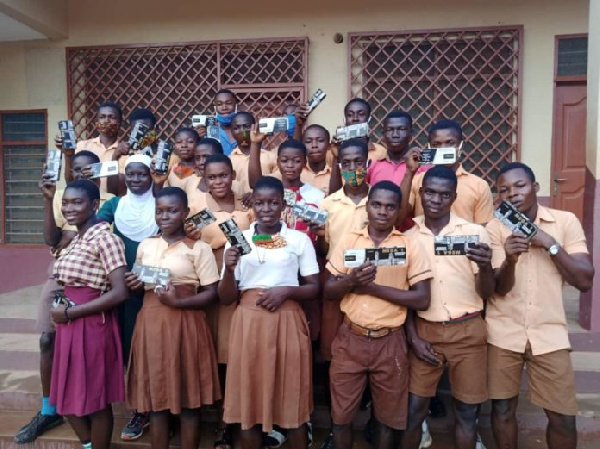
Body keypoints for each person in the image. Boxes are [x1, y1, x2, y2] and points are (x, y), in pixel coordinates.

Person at [486, 162, 594, 449]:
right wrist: (510, 260)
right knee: (502, 410)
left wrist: (548, 243)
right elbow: (498, 288)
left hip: (549, 334)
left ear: (535, 188)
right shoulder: (495, 228)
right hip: (504, 332)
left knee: (562, 417)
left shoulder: (565, 221)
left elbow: (584, 280)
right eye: (504, 190)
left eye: (520, 186)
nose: (512, 194)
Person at [324, 181, 433, 449]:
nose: (383, 212)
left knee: (386, 420)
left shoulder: (408, 245)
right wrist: (350, 282)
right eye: (377, 205)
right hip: (351, 338)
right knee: (341, 418)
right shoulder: (350, 240)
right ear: (368, 207)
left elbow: (422, 298)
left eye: (390, 207)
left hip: (391, 342)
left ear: (398, 212)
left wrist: (373, 288)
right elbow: (328, 290)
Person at [13, 151, 111, 444]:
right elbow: (52, 239)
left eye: (86, 170)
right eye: (76, 168)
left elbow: (82, 236)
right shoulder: (63, 197)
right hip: (61, 277)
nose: (81, 173)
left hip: (87, 283)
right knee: (46, 340)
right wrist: (48, 199)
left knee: (84, 363)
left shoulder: (101, 204)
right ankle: (48, 408)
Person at [218, 176, 320, 449]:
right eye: (260, 203)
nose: (266, 209)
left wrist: (287, 291)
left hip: (287, 319)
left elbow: (313, 288)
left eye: (273, 202)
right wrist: (228, 269)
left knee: (292, 398)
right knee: (248, 404)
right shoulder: (238, 239)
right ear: (253, 205)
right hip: (249, 321)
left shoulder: (298, 239)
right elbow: (226, 297)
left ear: (282, 204)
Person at [402, 166, 495, 449]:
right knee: (413, 411)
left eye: (444, 195)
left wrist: (486, 265)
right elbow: (404, 293)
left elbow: (488, 292)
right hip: (424, 332)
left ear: (454, 197)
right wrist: (413, 338)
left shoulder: (474, 233)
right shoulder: (407, 235)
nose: (436, 200)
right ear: (421, 192)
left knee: (467, 414)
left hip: (468, 331)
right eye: (430, 192)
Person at [125, 187, 221, 449]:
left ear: (186, 213)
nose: (165, 216)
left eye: (172, 210)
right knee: (157, 401)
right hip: (151, 324)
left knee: (189, 401)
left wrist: (179, 301)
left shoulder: (199, 248)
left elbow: (212, 293)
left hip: (186, 322)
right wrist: (133, 283)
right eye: (160, 211)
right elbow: (139, 283)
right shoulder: (147, 244)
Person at [50, 179, 128, 449]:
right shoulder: (76, 238)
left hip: (92, 323)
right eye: (66, 203)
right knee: (63, 392)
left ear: (95, 205)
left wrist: (72, 312)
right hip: (68, 322)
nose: (69, 208)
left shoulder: (106, 239)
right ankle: (89, 444)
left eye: (77, 202)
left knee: (96, 397)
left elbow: (119, 292)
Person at [185, 154, 254, 449]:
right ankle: (209, 416)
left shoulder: (245, 209)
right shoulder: (199, 211)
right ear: (205, 178)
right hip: (207, 283)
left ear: (232, 176)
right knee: (209, 352)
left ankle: (229, 421)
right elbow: (187, 242)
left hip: (237, 281)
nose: (218, 182)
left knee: (231, 354)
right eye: (212, 177)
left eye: (224, 176)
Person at [96, 154, 159, 441]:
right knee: (121, 348)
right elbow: (92, 229)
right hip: (118, 290)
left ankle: (145, 410)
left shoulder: (162, 206)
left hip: (152, 291)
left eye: (141, 174)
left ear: (151, 176)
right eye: (130, 174)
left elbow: (172, 246)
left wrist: (142, 277)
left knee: (144, 351)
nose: (135, 179)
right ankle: (133, 404)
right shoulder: (115, 205)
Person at [313, 138, 370, 449]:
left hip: (372, 282)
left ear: (367, 163)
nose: (352, 168)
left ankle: (370, 413)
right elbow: (323, 246)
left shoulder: (379, 199)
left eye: (357, 162)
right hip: (336, 282)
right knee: (335, 352)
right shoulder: (329, 203)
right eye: (345, 163)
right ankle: (339, 425)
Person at [409, 119, 494, 225]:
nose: (443, 148)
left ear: (461, 146)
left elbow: (483, 229)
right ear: (429, 147)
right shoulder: (417, 180)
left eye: (450, 143)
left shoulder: (479, 186)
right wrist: (409, 172)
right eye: (436, 144)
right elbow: (400, 215)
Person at [57, 101, 123, 194]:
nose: (106, 121)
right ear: (96, 122)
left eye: (111, 117)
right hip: (84, 204)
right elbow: (70, 180)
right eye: (102, 117)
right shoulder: (82, 146)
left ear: (120, 123)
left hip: (114, 205)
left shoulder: (128, 152)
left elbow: (124, 185)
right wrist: (68, 155)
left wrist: (96, 170)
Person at [107, 108, 162, 196]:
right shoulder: (125, 157)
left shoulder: (167, 155)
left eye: (145, 129)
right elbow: (112, 191)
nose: (142, 135)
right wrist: (115, 157)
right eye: (137, 131)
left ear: (156, 128)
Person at [229, 112, 277, 193]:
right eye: (237, 128)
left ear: (255, 127)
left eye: (246, 126)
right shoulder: (229, 160)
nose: (242, 131)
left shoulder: (271, 157)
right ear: (232, 132)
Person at [302, 124, 332, 195]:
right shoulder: (296, 174)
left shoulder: (336, 176)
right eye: (308, 141)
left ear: (329, 146)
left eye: (320, 140)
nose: (314, 145)